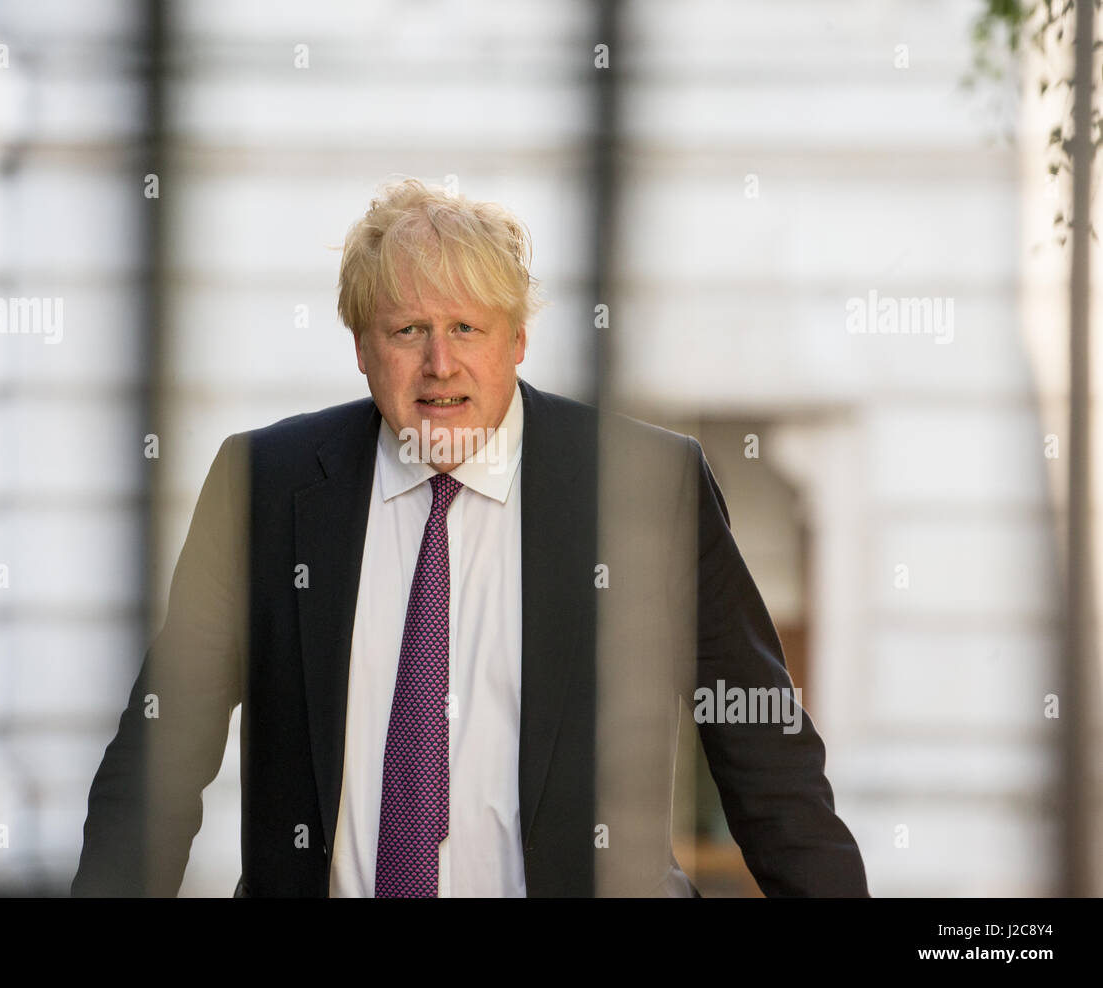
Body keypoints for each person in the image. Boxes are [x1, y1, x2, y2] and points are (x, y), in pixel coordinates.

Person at [71, 177, 869, 898]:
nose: (440, 364)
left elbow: (767, 758)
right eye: (409, 329)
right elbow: (159, 759)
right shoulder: (266, 487)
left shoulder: (646, 487)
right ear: (360, 348)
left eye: (467, 327)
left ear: (516, 343)